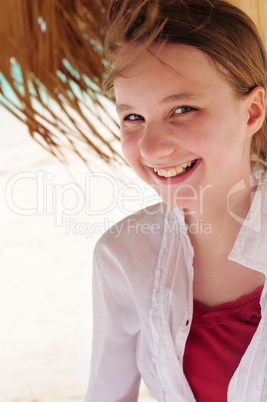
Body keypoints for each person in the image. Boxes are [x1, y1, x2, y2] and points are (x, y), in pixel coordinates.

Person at [86, 0, 267, 400]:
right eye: (133, 117)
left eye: (183, 109)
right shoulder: (121, 255)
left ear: (252, 112)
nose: (152, 148)